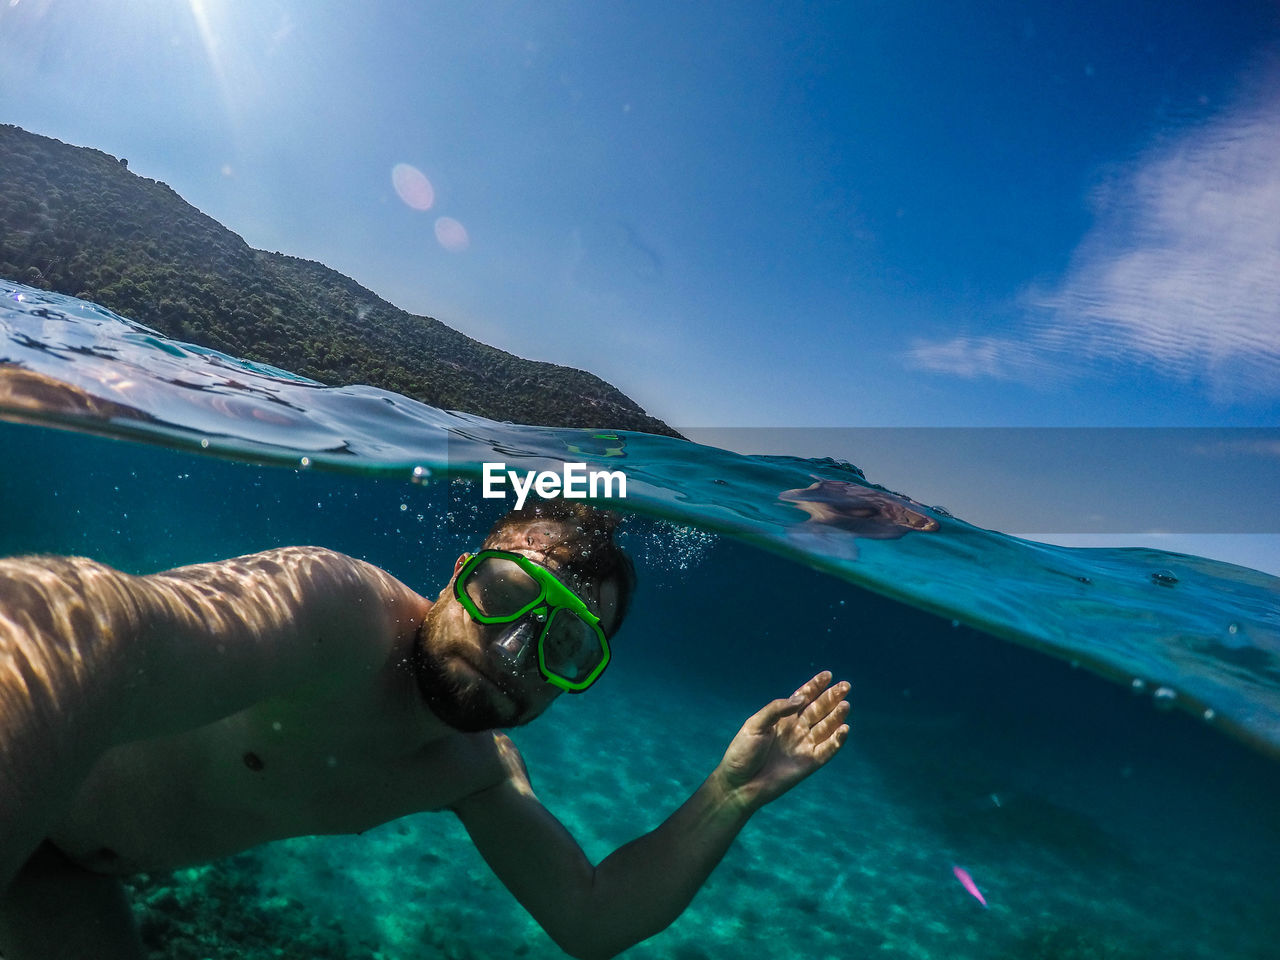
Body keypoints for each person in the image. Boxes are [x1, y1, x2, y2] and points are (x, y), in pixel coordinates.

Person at [0, 499, 851, 959]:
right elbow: (95, 629)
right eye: (510, 597)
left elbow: (591, 920)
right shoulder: (336, 612)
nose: (516, 652)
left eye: (564, 646)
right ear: (458, 576)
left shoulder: (475, 769)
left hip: (64, 876)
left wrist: (731, 791)